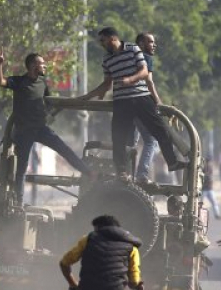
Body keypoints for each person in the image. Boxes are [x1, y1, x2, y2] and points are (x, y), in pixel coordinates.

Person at [79, 27, 187, 179]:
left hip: (141, 98)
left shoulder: (133, 49)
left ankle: (172, 162)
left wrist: (129, 80)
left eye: (103, 40)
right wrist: (88, 96)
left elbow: (143, 71)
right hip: (122, 102)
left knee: (160, 131)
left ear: (112, 39)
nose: (101, 44)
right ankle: (122, 171)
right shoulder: (107, 59)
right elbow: (107, 83)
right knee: (118, 137)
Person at [0, 49, 91, 204]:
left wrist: (50, 114)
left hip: (41, 128)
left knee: (64, 149)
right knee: (21, 169)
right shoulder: (19, 82)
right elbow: (1, 82)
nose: (45, 66)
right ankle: (19, 203)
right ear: (33, 65)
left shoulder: (42, 83)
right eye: (42, 64)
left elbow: (48, 101)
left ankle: (89, 172)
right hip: (24, 131)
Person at [132, 32, 160, 185]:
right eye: (150, 42)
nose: (154, 45)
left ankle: (126, 174)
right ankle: (141, 174)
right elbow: (149, 82)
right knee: (151, 141)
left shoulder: (130, 57)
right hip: (140, 103)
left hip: (126, 102)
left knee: (132, 142)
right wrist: (158, 101)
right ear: (141, 44)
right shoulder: (146, 58)